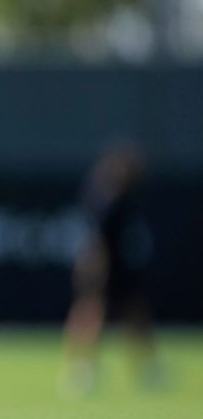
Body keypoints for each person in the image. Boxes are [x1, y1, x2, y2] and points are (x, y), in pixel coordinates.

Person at [61, 142, 160, 395]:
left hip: (122, 268)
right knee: (91, 313)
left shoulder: (128, 198)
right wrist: (94, 269)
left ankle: (147, 368)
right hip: (104, 268)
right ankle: (82, 370)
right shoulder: (105, 200)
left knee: (136, 314)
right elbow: (95, 241)